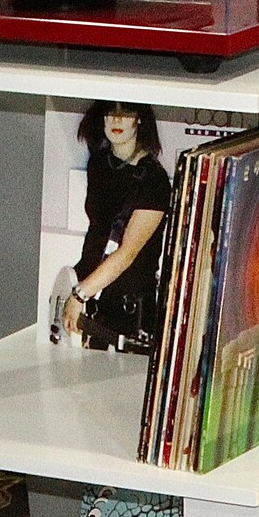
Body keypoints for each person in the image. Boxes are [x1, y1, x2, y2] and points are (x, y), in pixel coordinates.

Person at [61, 100, 171, 354]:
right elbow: (97, 232)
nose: (117, 120)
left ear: (140, 119)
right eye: (111, 112)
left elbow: (127, 253)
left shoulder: (154, 180)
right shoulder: (98, 164)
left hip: (128, 309)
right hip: (93, 303)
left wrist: (79, 295)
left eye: (126, 112)